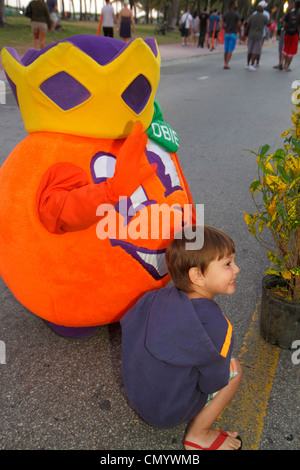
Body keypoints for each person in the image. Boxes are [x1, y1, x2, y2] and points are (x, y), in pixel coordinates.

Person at [121, 225, 243, 451]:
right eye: (228, 264)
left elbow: (129, 329)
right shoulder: (218, 326)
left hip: (140, 398)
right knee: (234, 370)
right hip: (170, 412)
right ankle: (199, 435)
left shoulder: (155, 298)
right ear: (197, 275)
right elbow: (214, 382)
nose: (236, 269)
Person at [245, 4, 269, 70]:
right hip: (258, 35)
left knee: (250, 50)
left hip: (251, 34)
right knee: (255, 51)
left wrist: (245, 34)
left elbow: (248, 26)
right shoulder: (264, 17)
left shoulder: (252, 16)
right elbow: (268, 24)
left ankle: (247, 64)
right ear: (262, 10)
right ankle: (252, 65)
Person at [281, 0, 300, 71]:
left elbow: (284, 24)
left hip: (287, 33)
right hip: (295, 34)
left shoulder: (289, 13)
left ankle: (281, 62)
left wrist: (283, 30)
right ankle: (287, 66)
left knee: (285, 49)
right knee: (291, 52)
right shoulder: (299, 14)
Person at [222, 0, 241, 69]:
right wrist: (239, 30)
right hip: (233, 33)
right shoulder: (237, 14)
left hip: (226, 33)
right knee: (230, 49)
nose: (237, 5)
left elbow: (222, 24)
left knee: (226, 49)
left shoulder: (226, 14)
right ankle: (226, 63)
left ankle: (225, 63)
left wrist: (225, 27)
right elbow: (239, 24)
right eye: (236, 4)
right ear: (233, 5)